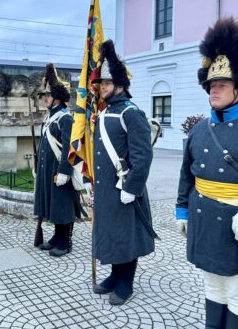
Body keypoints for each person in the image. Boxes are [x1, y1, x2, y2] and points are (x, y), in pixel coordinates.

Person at [176, 18, 238, 328]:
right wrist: (182, 210)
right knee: (212, 286)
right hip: (204, 220)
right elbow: (186, 175)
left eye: (221, 85)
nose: (214, 90)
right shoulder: (200, 130)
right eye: (211, 85)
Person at [90, 40, 155, 306]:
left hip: (126, 187)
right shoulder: (105, 112)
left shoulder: (132, 113)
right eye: (100, 84)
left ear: (119, 85)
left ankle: (126, 281)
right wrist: (88, 179)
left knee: (126, 235)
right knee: (112, 233)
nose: (101, 87)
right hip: (106, 188)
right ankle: (115, 275)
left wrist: (131, 188)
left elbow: (143, 156)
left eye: (106, 83)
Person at [34, 63, 83, 257]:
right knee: (53, 205)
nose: (44, 98)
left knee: (63, 206)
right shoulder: (49, 118)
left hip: (60, 171)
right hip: (48, 170)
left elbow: (70, 149)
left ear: (57, 98)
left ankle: (65, 241)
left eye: (47, 95)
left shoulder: (65, 118)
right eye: (44, 95)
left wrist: (65, 171)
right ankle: (56, 237)